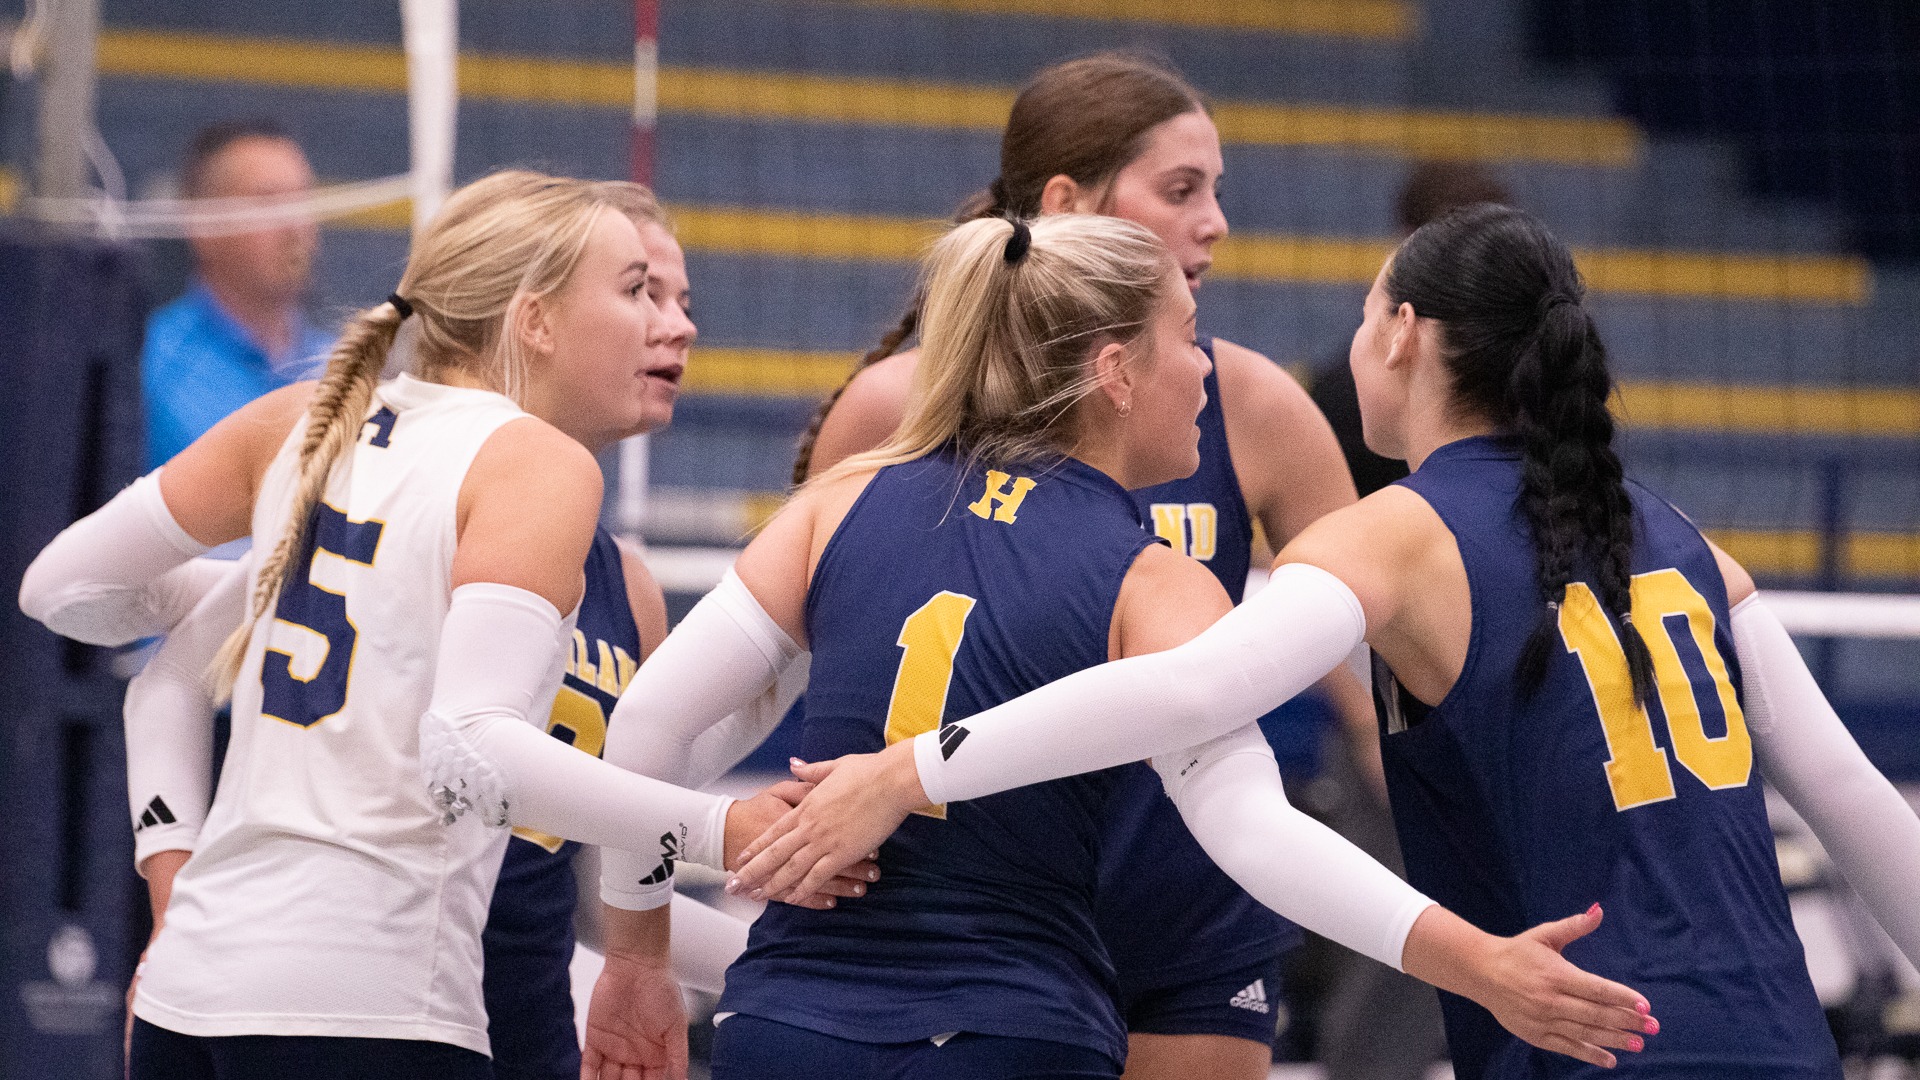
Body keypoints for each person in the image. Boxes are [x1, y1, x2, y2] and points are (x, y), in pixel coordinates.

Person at [733, 205, 1920, 1078]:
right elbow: (1852, 797)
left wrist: (911, 769)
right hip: (1777, 1038)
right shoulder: (1682, 540)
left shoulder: (1391, 535)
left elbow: (1189, 691)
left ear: (1401, 335)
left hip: (1584, 1032)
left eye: (1359, 317)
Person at [585, 213, 1658, 1080]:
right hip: (1011, 1030)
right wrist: (1477, 963)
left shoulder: (841, 501)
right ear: (1115, 372)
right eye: (1189, 338)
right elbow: (1254, 834)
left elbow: (647, 728)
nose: (1207, 371)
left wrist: (636, 952)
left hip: (789, 1025)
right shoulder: (1154, 582)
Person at [19, 170, 866, 1078]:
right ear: (535, 320)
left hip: (198, 997)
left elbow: (65, 589)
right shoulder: (532, 466)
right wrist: (722, 827)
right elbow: (473, 745)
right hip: (375, 1001)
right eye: (637, 290)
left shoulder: (317, 428)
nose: (677, 325)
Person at [793, 53, 1371, 1078]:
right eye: (1181, 189)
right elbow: (822, 648)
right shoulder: (895, 406)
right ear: (1066, 203)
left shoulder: (1247, 401)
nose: (1214, 222)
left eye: (1217, 191)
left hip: (1186, 898)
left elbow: (1370, 634)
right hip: (969, 909)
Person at [1302, 158, 1512, 1080]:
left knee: (1505, 955)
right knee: (1394, 956)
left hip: (1497, 716)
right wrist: (1362, 722)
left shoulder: (1531, 409)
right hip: (1390, 709)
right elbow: (1297, 575)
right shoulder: (1339, 399)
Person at [141, 119, 333, 470]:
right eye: (268, 203)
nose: (296, 227)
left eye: (303, 201)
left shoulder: (341, 363)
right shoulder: (150, 365)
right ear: (203, 225)